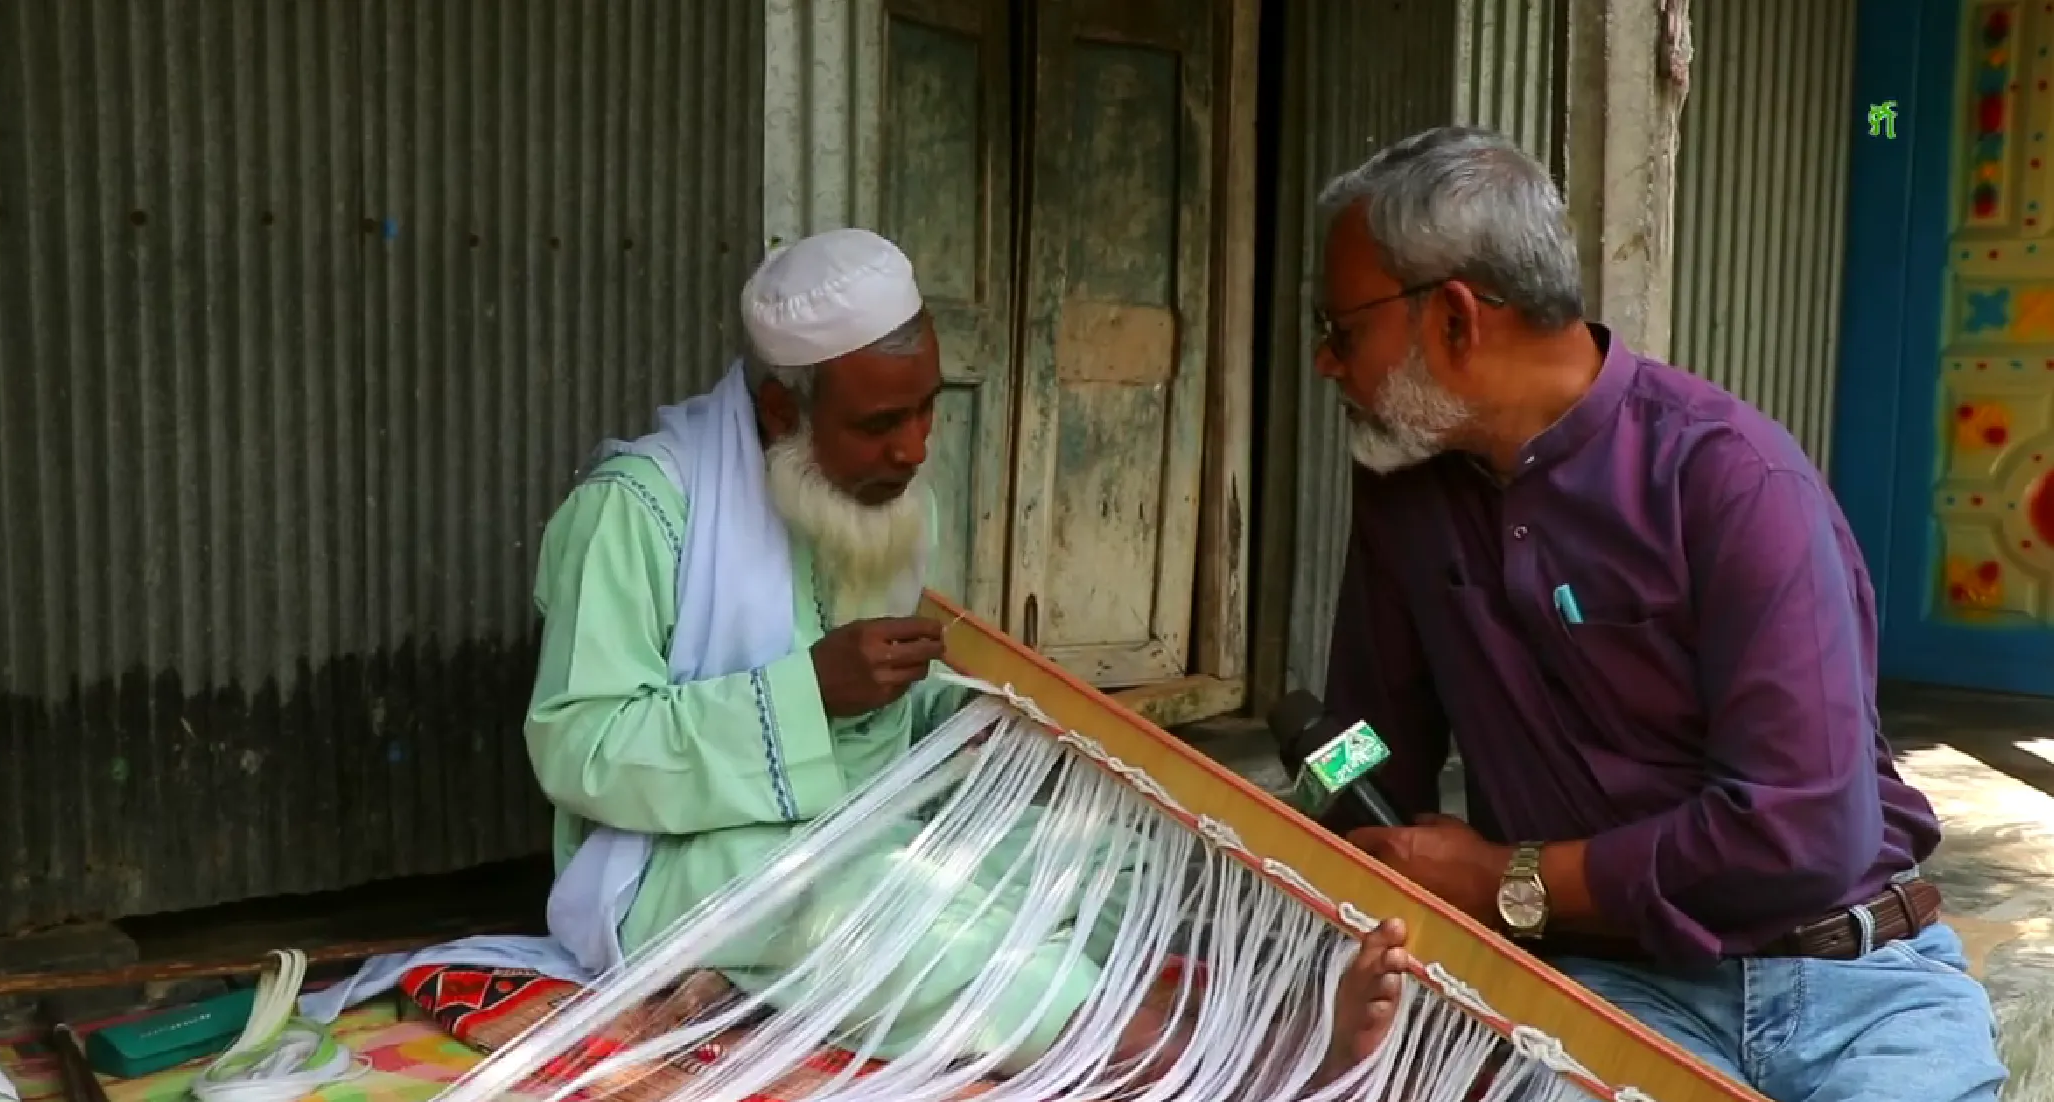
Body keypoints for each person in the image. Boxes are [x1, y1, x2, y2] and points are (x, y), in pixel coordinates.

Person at [523, 227, 1412, 1084]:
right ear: (782, 410)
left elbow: (882, 717)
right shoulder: (637, 513)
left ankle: (1139, 1012)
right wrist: (810, 692)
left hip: (874, 818)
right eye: (880, 422)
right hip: (678, 857)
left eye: (926, 409)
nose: (914, 448)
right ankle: (1216, 1064)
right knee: (895, 904)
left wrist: (963, 715)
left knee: (1114, 859)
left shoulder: (879, 500)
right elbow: (577, 745)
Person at [1287, 125, 2008, 1102]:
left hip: (1854, 984)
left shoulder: (1730, 479)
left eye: (1341, 330)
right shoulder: (1405, 496)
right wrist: (1335, 814)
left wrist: (1512, 878)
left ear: (1455, 318)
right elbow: (1368, 743)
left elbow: (1801, 832)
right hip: (1608, 986)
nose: (1326, 364)